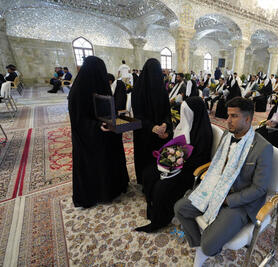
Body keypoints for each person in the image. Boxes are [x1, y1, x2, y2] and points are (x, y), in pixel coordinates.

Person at [174, 97, 273, 267]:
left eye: (234, 116)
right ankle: (199, 243)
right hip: (216, 188)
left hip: (238, 202)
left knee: (209, 246)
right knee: (180, 209)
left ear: (248, 119)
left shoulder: (263, 148)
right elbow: (219, 162)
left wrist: (227, 200)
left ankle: (207, 246)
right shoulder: (228, 135)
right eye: (228, 116)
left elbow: (259, 188)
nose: (227, 121)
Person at [136, 96, 213, 233]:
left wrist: (177, 163)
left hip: (189, 170)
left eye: (186, 113)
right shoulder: (186, 126)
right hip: (176, 162)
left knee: (162, 186)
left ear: (194, 114)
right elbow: (176, 143)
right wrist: (170, 158)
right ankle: (151, 205)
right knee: (148, 173)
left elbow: (199, 159)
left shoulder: (203, 132)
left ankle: (161, 219)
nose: (183, 116)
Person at [68, 56, 129, 208]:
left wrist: (116, 120)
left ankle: (112, 189)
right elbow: (78, 120)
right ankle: (98, 193)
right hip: (88, 138)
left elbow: (109, 108)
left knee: (108, 161)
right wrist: (96, 126)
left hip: (106, 133)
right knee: (95, 165)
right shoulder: (78, 92)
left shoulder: (102, 86)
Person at [132, 58, 173, 185]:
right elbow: (138, 116)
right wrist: (152, 127)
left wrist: (165, 125)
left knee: (160, 161)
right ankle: (145, 182)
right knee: (145, 160)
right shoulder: (138, 91)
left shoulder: (162, 90)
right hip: (144, 133)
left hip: (161, 133)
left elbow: (167, 113)